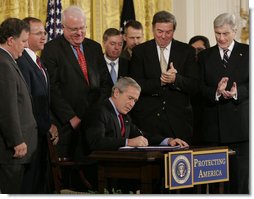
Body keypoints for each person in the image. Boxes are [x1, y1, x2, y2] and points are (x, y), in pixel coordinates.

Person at [41, 5, 110, 159]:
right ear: (63, 27)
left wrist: (98, 113)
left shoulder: (94, 47)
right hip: (68, 123)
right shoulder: (51, 49)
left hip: (95, 121)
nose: (79, 33)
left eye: (82, 28)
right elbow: (52, 88)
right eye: (74, 29)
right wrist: (70, 117)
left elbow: (105, 83)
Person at [129, 11, 198, 144]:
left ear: (174, 30)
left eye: (168, 32)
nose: (164, 36)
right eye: (159, 31)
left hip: (178, 121)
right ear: (153, 29)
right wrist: (159, 81)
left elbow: (195, 85)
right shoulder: (140, 51)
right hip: (147, 121)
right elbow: (135, 85)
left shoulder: (186, 51)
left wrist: (176, 79)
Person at [198, 13, 249, 194]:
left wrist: (238, 92)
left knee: (240, 184)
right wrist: (216, 93)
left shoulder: (248, 53)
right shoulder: (205, 56)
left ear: (235, 31)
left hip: (240, 131)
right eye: (217, 33)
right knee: (214, 186)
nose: (221, 38)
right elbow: (198, 88)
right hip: (213, 132)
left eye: (225, 33)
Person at [82, 77, 188, 152]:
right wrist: (128, 142)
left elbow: (142, 136)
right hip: (94, 168)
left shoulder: (124, 116)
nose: (132, 104)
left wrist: (168, 141)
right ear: (116, 93)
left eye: (135, 100)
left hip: (114, 167)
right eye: (130, 98)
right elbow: (96, 142)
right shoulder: (98, 110)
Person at [16, 17, 59, 193]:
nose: (44, 37)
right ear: (25, 35)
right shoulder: (21, 62)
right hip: (31, 135)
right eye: (38, 33)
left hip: (41, 135)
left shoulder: (37, 61)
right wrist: (46, 125)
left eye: (44, 32)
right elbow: (28, 101)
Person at [0, 18, 38, 194]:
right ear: (10, 40)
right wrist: (16, 140)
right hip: (11, 151)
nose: (25, 46)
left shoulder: (8, 61)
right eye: (23, 41)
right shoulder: (3, 64)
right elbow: (6, 107)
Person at [102, 28, 129, 92]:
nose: (117, 48)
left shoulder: (128, 64)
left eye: (120, 44)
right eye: (112, 44)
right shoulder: (96, 64)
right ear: (104, 44)